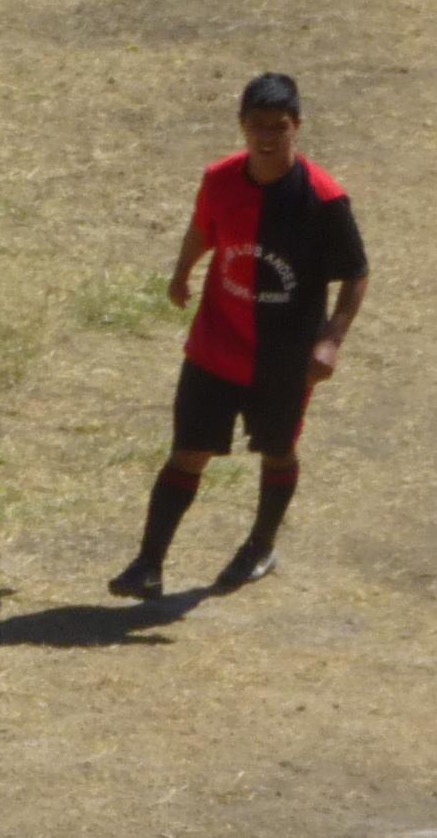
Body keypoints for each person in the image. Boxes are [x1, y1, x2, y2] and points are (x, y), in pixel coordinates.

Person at [113, 74, 369, 603]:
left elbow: (356, 272)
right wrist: (182, 271)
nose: (268, 137)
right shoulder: (220, 178)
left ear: (297, 126)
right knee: (188, 450)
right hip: (216, 344)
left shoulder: (323, 199)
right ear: (241, 126)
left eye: (279, 127)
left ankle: (260, 546)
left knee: (277, 450)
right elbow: (203, 227)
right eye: (257, 126)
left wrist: (331, 340)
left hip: (285, 355)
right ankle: (148, 563)